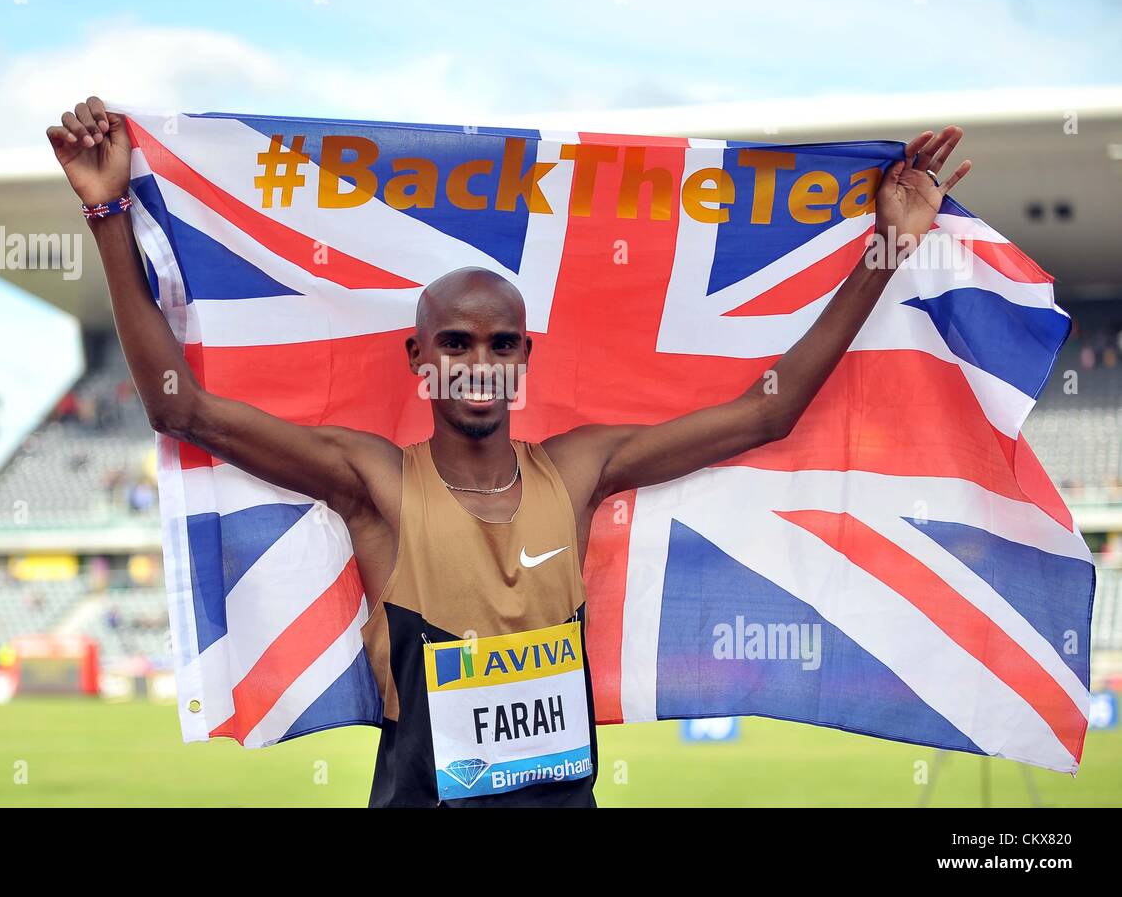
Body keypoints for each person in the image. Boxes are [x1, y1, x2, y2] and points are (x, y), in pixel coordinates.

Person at [48, 96, 971, 808]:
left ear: (526, 355)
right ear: (420, 357)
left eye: (499, 344)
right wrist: (108, 215)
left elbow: (767, 414)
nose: (478, 363)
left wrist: (888, 245)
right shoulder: (376, 483)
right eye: (455, 342)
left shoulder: (576, 472)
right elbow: (184, 411)